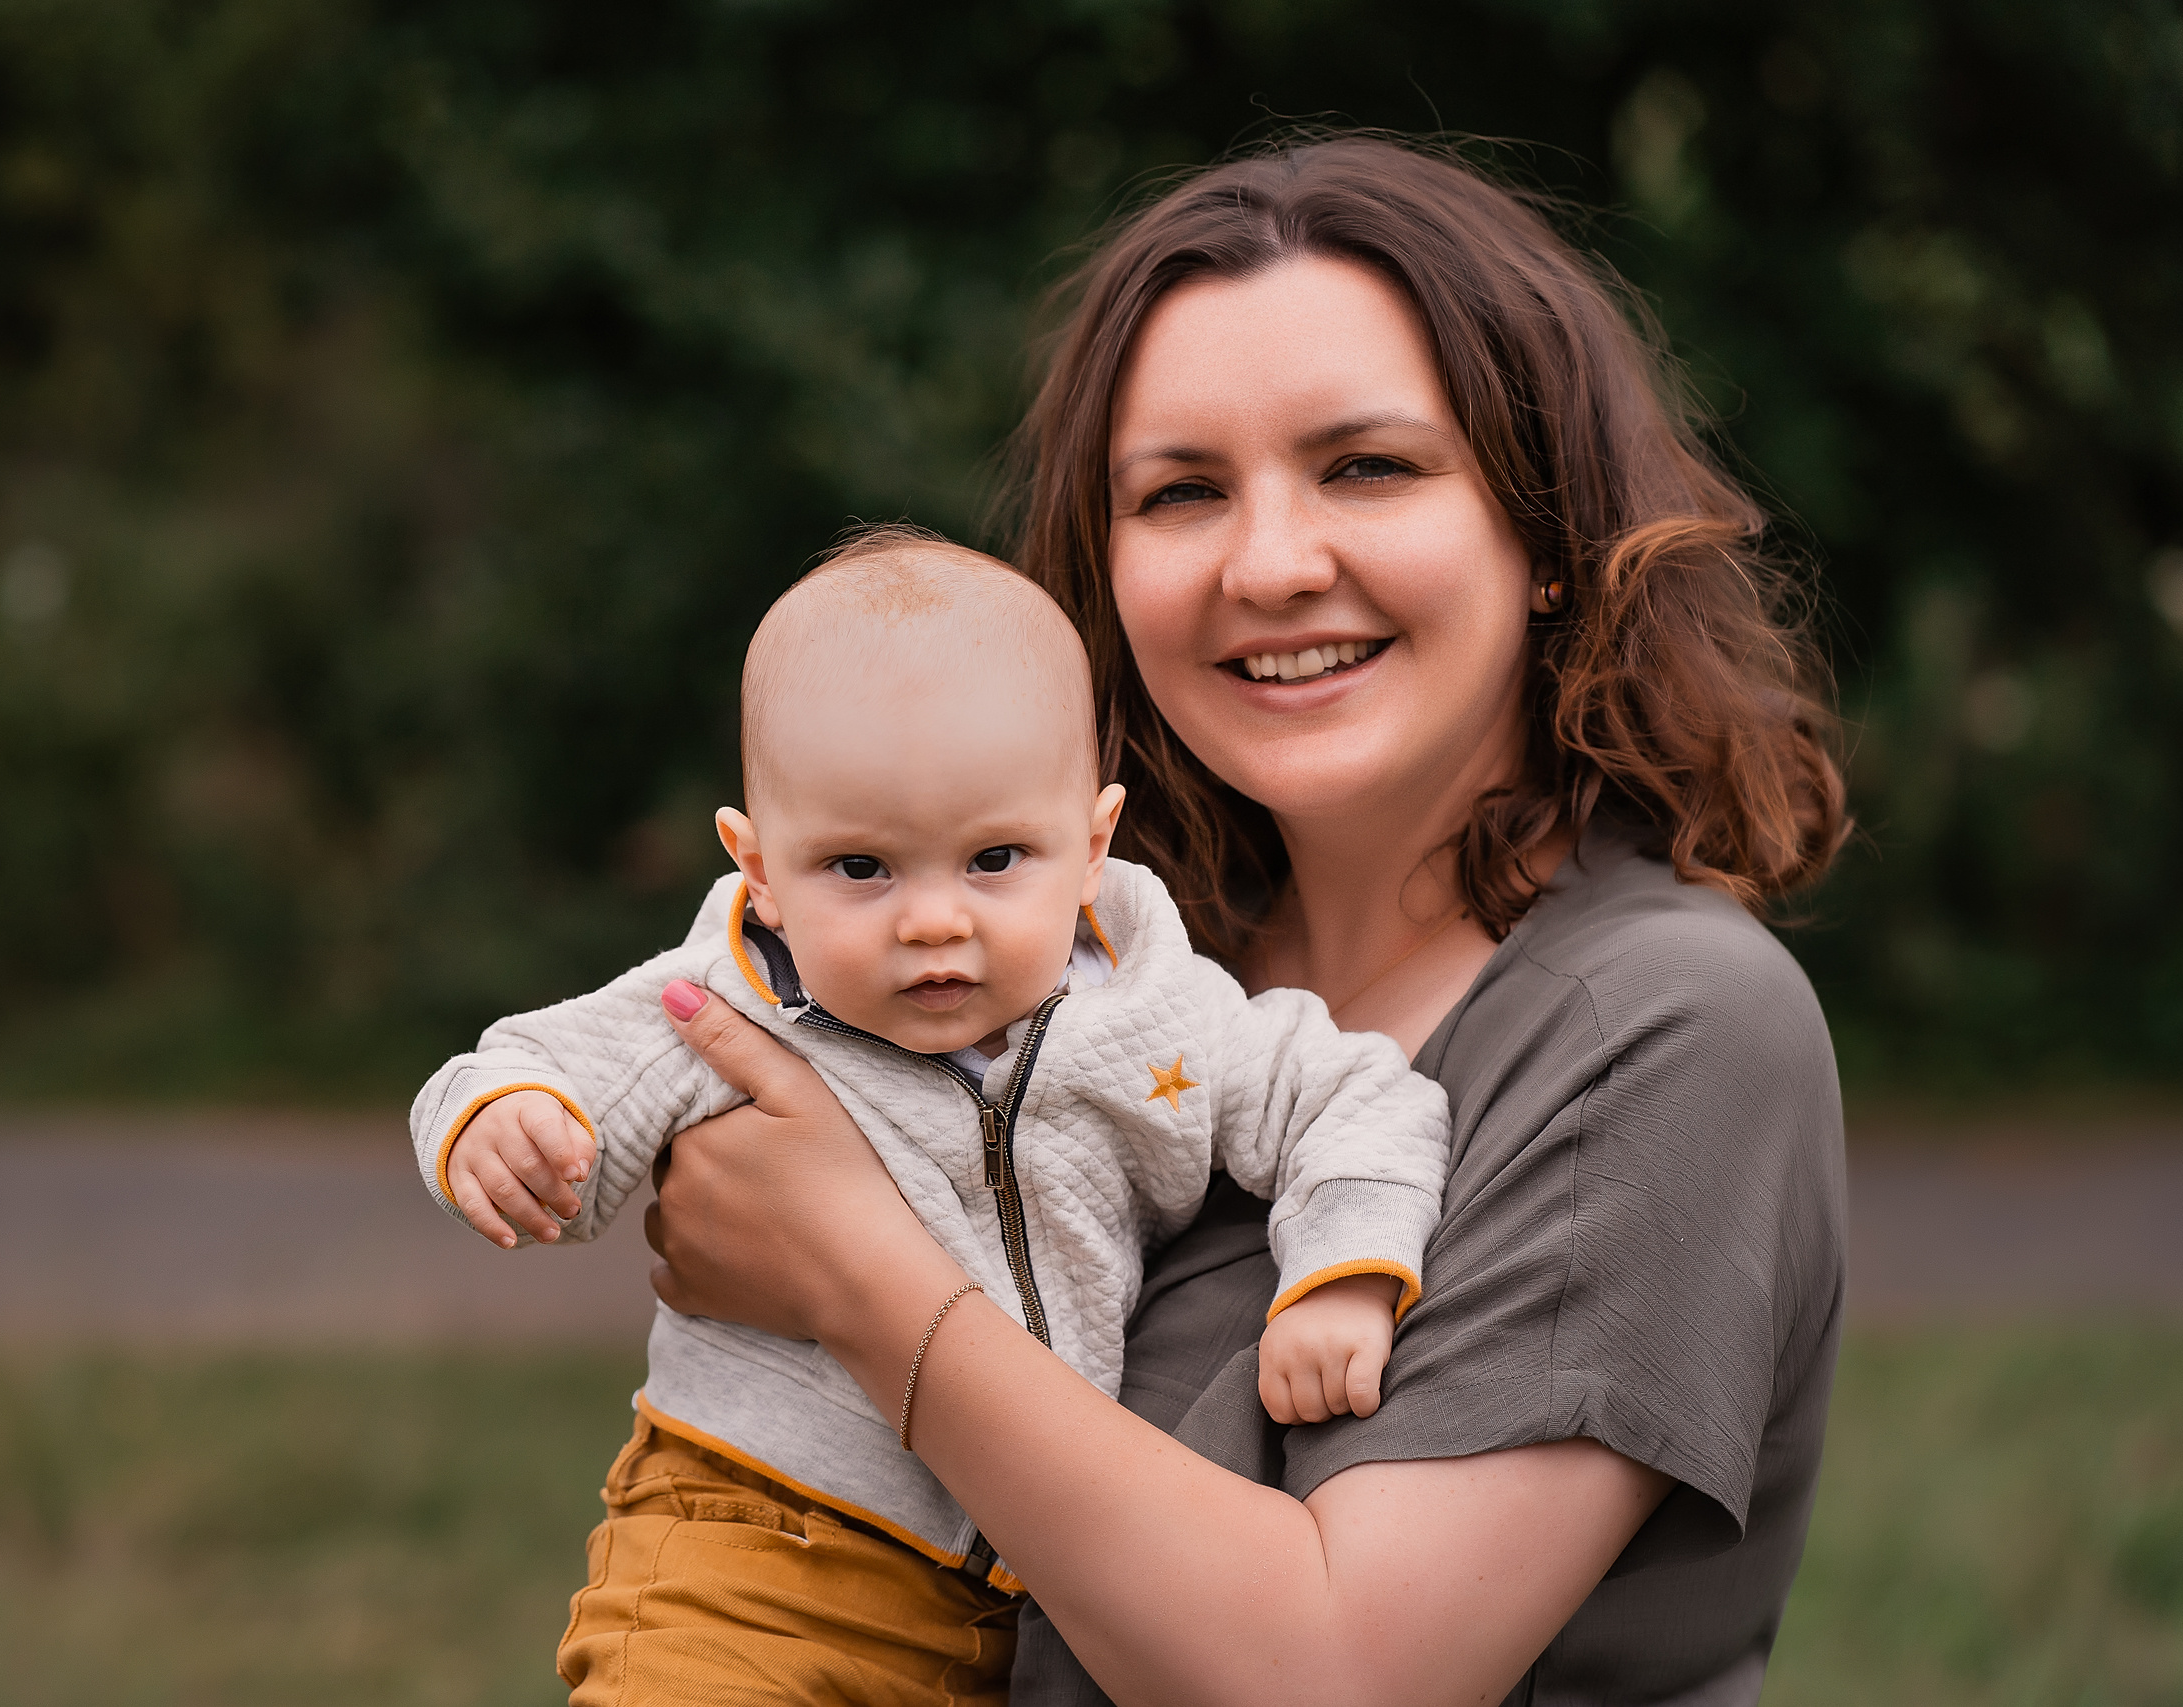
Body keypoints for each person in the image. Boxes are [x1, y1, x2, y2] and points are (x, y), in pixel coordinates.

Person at [636, 135, 1852, 1706]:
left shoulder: (1664, 1026)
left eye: (1370, 466)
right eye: (1182, 492)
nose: (1271, 564)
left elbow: (1338, 1675)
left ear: (1544, 535)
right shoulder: (1107, 968)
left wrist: (853, 1275)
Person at [411, 528, 1453, 1704]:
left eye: (995, 858)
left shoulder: (1162, 1015)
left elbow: (1354, 1094)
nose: (932, 922)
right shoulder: (732, 1001)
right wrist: (506, 1122)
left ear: (1092, 840)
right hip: (754, 1541)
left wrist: (1345, 1270)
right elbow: (529, 1063)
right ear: (757, 868)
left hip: (1016, 1592)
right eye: (860, 869)